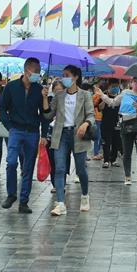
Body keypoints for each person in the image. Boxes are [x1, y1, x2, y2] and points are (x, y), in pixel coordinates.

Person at [0, 57, 49, 214]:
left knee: (28, 167)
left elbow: (44, 115)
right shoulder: (11, 87)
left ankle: (24, 201)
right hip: (16, 130)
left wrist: (44, 133)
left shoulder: (39, 89)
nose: (37, 74)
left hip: (33, 132)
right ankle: (11, 194)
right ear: (26, 70)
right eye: (35, 71)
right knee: (11, 162)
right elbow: (2, 108)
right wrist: (9, 126)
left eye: (39, 72)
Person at [45, 65, 95, 215]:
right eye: (63, 74)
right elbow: (48, 115)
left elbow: (91, 115)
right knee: (59, 168)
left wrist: (86, 124)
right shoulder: (59, 95)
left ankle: (85, 195)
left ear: (75, 77)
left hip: (78, 135)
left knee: (81, 169)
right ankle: (60, 203)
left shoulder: (85, 95)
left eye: (66, 75)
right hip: (60, 135)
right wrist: (44, 98)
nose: (63, 78)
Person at [99, 78, 137, 187]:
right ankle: (127, 176)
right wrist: (102, 95)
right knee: (127, 152)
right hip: (126, 126)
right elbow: (113, 103)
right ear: (131, 83)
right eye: (135, 82)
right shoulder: (125, 93)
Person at [99, 80, 122, 168]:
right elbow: (99, 108)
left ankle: (114, 159)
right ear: (109, 86)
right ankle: (106, 160)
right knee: (106, 142)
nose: (115, 88)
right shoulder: (103, 95)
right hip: (106, 123)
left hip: (117, 123)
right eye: (113, 86)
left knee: (116, 142)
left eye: (116, 86)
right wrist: (105, 100)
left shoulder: (120, 96)